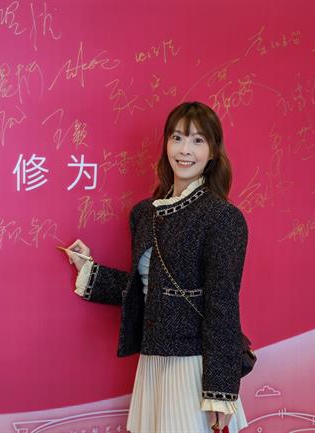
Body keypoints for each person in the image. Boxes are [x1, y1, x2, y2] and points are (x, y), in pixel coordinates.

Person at [64, 102, 250, 433]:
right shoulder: (144, 214)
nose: (184, 150)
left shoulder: (223, 217)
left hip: (194, 366)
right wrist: (89, 270)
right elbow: (149, 290)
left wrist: (220, 391)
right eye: (177, 138)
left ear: (212, 151)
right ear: (166, 144)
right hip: (152, 362)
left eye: (197, 140)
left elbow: (222, 304)